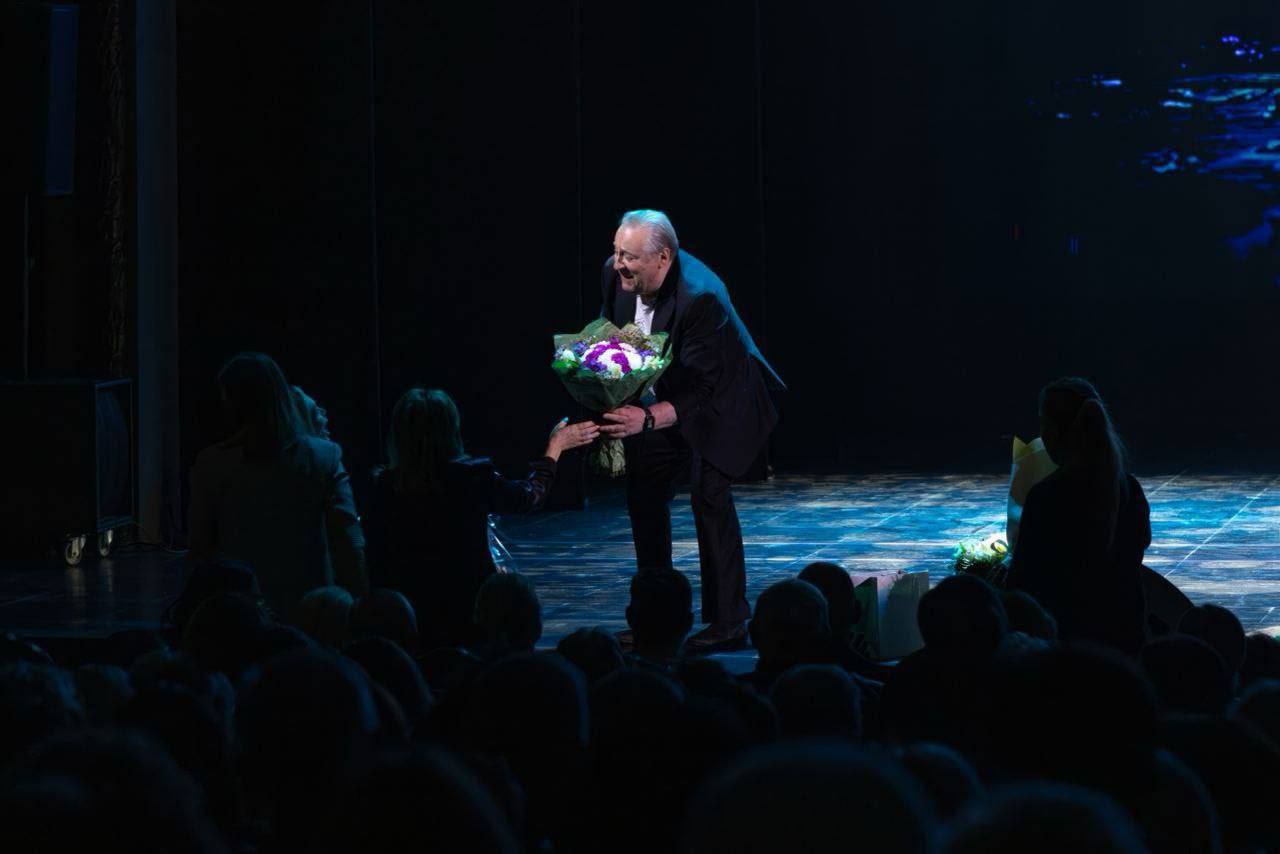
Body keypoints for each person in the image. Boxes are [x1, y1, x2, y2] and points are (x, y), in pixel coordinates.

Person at [599, 210, 784, 653]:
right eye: (617, 252)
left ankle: (729, 621)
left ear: (663, 257)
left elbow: (704, 391)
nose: (620, 263)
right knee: (644, 492)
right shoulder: (614, 274)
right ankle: (654, 615)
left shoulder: (701, 297)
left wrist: (646, 419)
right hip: (667, 391)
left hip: (721, 399)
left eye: (630, 257)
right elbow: (612, 333)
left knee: (709, 496)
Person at [363, 388, 597, 652]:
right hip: (467, 598)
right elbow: (528, 497)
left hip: (409, 601)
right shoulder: (471, 477)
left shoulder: (383, 486)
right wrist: (555, 448)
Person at [187, 352, 368, 617]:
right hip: (310, 610)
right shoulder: (323, 458)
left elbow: (200, 548)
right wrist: (360, 610)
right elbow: (349, 543)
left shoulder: (212, 465)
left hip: (241, 611)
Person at [1007, 377, 1150, 655]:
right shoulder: (1129, 489)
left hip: (1066, 643)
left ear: (1054, 431)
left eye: (1043, 424)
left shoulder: (1047, 496)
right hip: (1125, 638)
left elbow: (1023, 579)